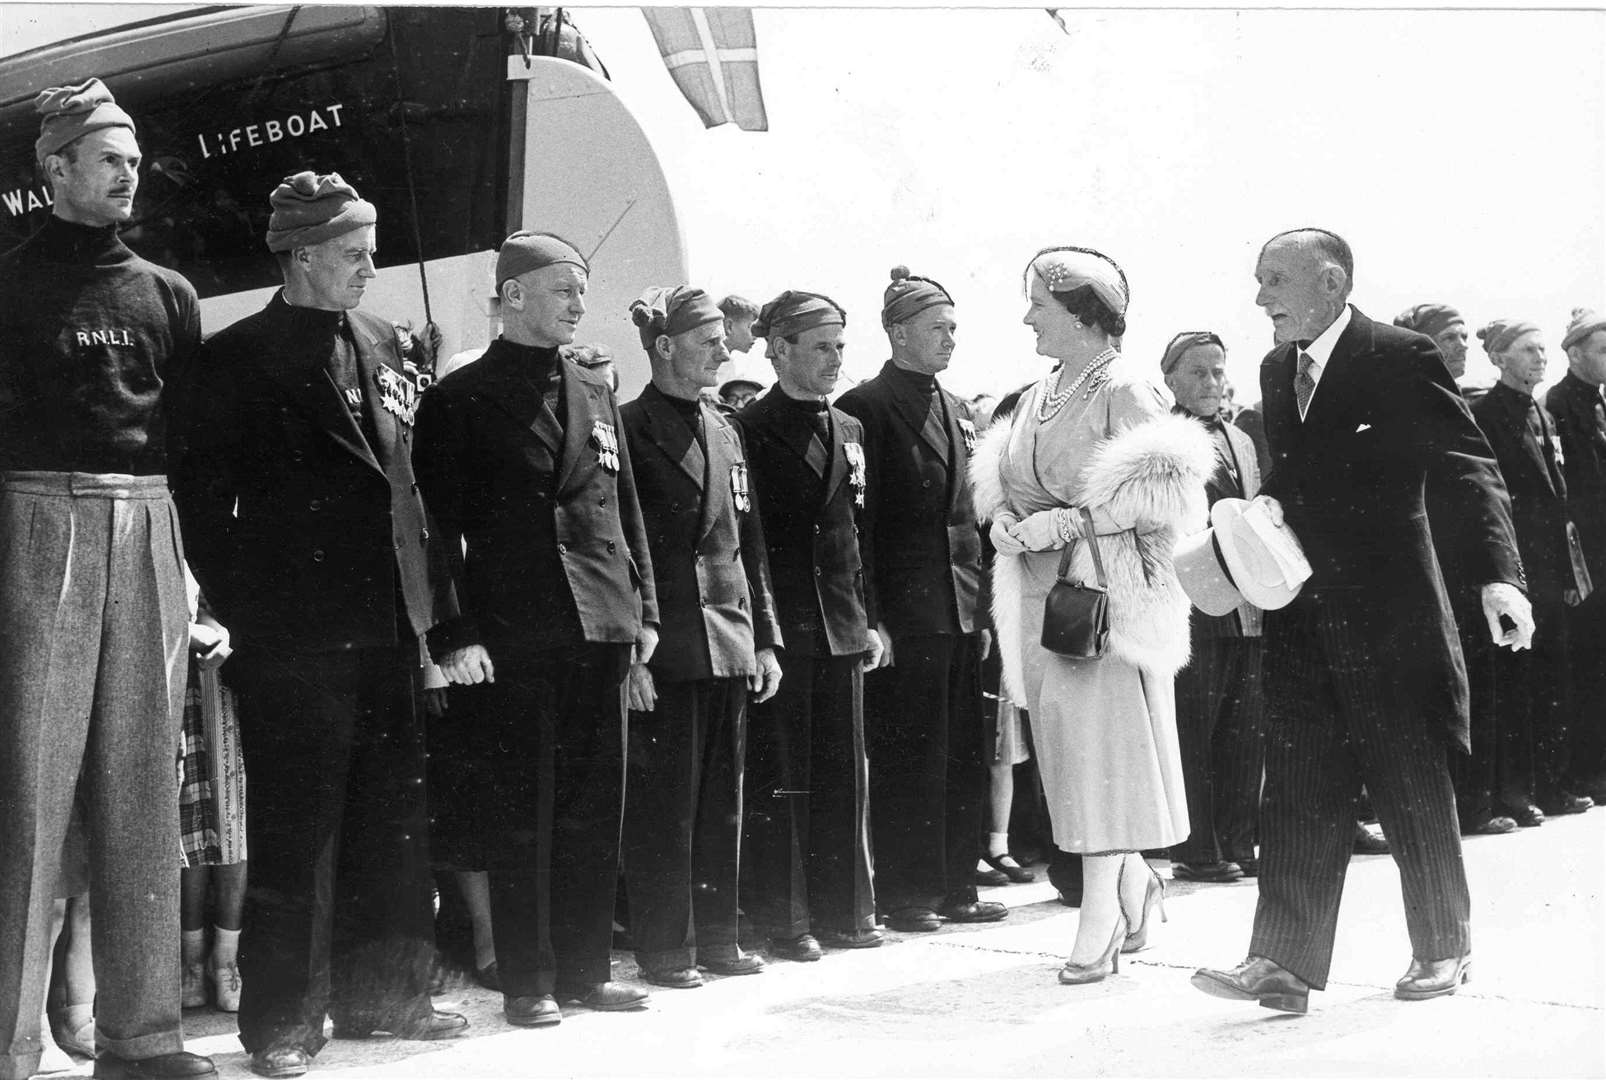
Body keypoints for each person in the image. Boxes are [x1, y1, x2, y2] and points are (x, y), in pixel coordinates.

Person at [1192, 228, 1530, 1014]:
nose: (1260, 298)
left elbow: (1466, 466)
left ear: (1331, 282)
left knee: (1411, 782)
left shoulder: (1400, 355)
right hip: (1305, 617)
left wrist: (1496, 579)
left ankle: (1443, 946)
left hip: (1392, 617)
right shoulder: (1279, 369)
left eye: (1274, 280)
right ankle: (1282, 961)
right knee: (1301, 788)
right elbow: (1299, 479)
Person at [174, 171, 464, 1078]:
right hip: (295, 639)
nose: (370, 266)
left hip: (387, 629)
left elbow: (411, 489)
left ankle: (389, 998)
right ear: (300, 258)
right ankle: (282, 1025)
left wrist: (428, 620)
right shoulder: (232, 359)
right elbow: (197, 503)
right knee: (299, 839)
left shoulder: (388, 343)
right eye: (352, 253)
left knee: (395, 825)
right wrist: (252, 612)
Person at [0, 77, 215, 1080]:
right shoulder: (7, 281)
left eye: (132, 155)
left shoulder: (168, 294)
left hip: (151, 524)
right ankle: (12, 1043)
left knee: (141, 790)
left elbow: (194, 446)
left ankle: (143, 1036)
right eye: (105, 155)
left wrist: (194, 575)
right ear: (53, 171)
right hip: (39, 526)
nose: (127, 169)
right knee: (30, 792)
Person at [412, 231, 658, 1028]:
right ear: (513, 296)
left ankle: (586, 971)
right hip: (514, 636)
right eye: (563, 291)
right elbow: (436, 532)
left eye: (582, 293)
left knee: (594, 808)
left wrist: (643, 608)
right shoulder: (457, 399)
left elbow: (623, 509)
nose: (580, 307)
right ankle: (529, 981)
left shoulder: (594, 388)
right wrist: (458, 635)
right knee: (525, 815)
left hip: (601, 625)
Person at [972, 247, 1210, 984]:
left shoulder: (1128, 387)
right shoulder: (1043, 389)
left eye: (1038, 304)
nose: (1027, 316)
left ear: (1082, 311)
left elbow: (1169, 490)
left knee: (1102, 755)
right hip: (1039, 595)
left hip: (1104, 598)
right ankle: (1135, 883)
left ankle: (1101, 911)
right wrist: (1004, 521)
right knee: (1072, 758)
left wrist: (1069, 525)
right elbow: (1012, 481)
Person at [617, 285, 782, 988]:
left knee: (725, 801)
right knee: (666, 808)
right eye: (708, 338)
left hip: (730, 638)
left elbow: (748, 541)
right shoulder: (625, 427)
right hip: (670, 647)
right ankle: (665, 948)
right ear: (664, 347)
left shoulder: (726, 427)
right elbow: (622, 546)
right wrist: (634, 651)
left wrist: (765, 639)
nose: (724, 348)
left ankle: (718, 936)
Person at [836, 266, 1003, 933]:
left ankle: (957, 886)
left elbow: (972, 519)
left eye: (955, 328)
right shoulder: (865, 409)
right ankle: (908, 893)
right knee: (909, 755)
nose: (950, 339)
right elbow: (860, 525)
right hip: (906, 617)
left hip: (959, 611)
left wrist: (982, 608)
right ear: (899, 331)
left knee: (963, 752)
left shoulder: (958, 408)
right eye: (937, 327)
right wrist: (874, 617)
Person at [736, 290, 884, 960]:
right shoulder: (750, 429)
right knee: (785, 776)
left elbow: (857, 534)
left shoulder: (849, 429)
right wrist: (764, 631)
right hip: (788, 626)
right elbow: (751, 540)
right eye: (820, 346)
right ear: (780, 350)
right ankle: (785, 919)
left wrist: (871, 620)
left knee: (844, 775)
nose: (834, 359)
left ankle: (848, 912)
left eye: (840, 347)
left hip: (844, 627)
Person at [1393, 305, 1516, 836]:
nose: (1463, 345)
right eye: (1449, 337)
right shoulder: (1396, 402)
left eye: (1467, 335)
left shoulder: (1466, 404)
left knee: (1476, 685)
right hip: (1422, 569)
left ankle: (1473, 804)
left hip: (1465, 571)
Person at [1470, 320, 1593, 821]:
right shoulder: (1486, 413)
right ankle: (1512, 794)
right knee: (1513, 684)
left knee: (1551, 680)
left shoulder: (1541, 412)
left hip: (1551, 569)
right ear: (1500, 359)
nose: (1540, 358)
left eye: (1543, 349)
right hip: (1515, 569)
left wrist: (1569, 575)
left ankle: (1549, 784)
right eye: (1527, 350)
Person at [1160, 331, 1266, 883]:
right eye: (1198, 372)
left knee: (1244, 731)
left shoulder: (1241, 439)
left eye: (1218, 371)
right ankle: (1197, 849)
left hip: (1248, 604)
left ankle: (1240, 840)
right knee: (1195, 728)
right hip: (1196, 604)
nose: (1211, 383)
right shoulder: (1165, 438)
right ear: (1171, 379)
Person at [177, 580, 249, 1014]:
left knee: (230, 820)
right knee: (186, 828)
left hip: (224, 679)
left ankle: (225, 962)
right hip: (172, 675)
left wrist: (213, 626)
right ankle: (189, 963)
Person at [1546, 307, 1606, 805]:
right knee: (1587, 666)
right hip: (1584, 557)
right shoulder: (1559, 405)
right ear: (1575, 352)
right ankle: (1586, 771)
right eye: (1602, 349)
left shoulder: (1599, 404)